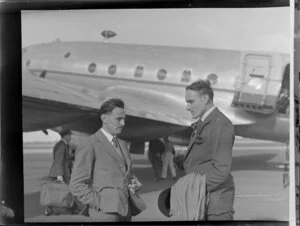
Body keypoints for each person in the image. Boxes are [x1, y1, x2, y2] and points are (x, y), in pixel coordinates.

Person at [69, 98, 145, 222]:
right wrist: (100, 203)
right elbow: (76, 185)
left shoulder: (123, 144)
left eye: (124, 119)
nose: (123, 123)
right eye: (118, 119)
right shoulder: (89, 144)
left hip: (126, 211)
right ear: (104, 118)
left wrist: (134, 184)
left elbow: (127, 174)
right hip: (105, 214)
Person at [184, 79, 235, 220]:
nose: (187, 107)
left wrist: (192, 188)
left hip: (215, 205)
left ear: (205, 98)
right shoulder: (204, 123)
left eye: (191, 102)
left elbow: (221, 171)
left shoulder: (221, 125)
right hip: (203, 200)